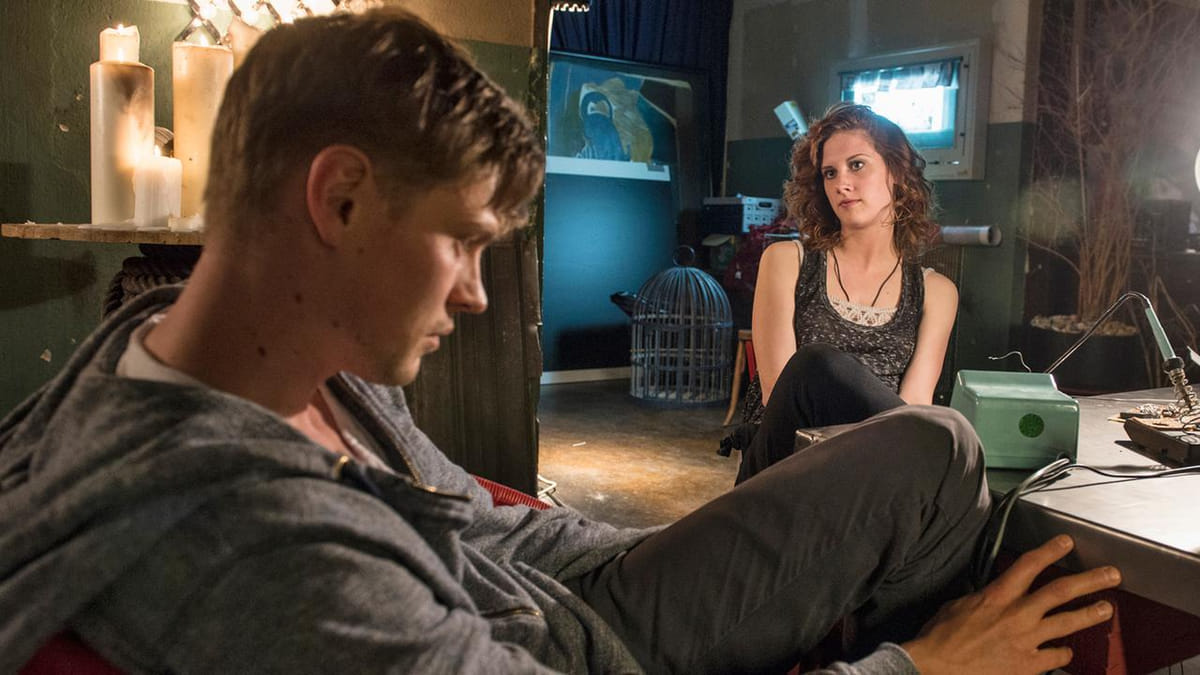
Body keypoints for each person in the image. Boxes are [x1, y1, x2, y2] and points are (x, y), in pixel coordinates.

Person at [0, 9, 1120, 674]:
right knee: (954, 490)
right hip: (597, 646)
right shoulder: (266, 553)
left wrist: (664, 544)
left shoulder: (278, 366)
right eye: (461, 242)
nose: (477, 295)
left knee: (936, 448)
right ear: (338, 199)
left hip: (591, 582)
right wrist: (919, 665)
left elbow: (483, 518)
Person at [734, 103, 959, 484]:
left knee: (926, 428)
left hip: (874, 470)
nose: (841, 183)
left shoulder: (936, 293)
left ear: (897, 173)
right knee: (814, 365)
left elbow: (914, 407)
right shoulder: (788, 261)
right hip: (785, 464)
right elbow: (778, 394)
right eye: (830, 173)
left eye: (857, 165)